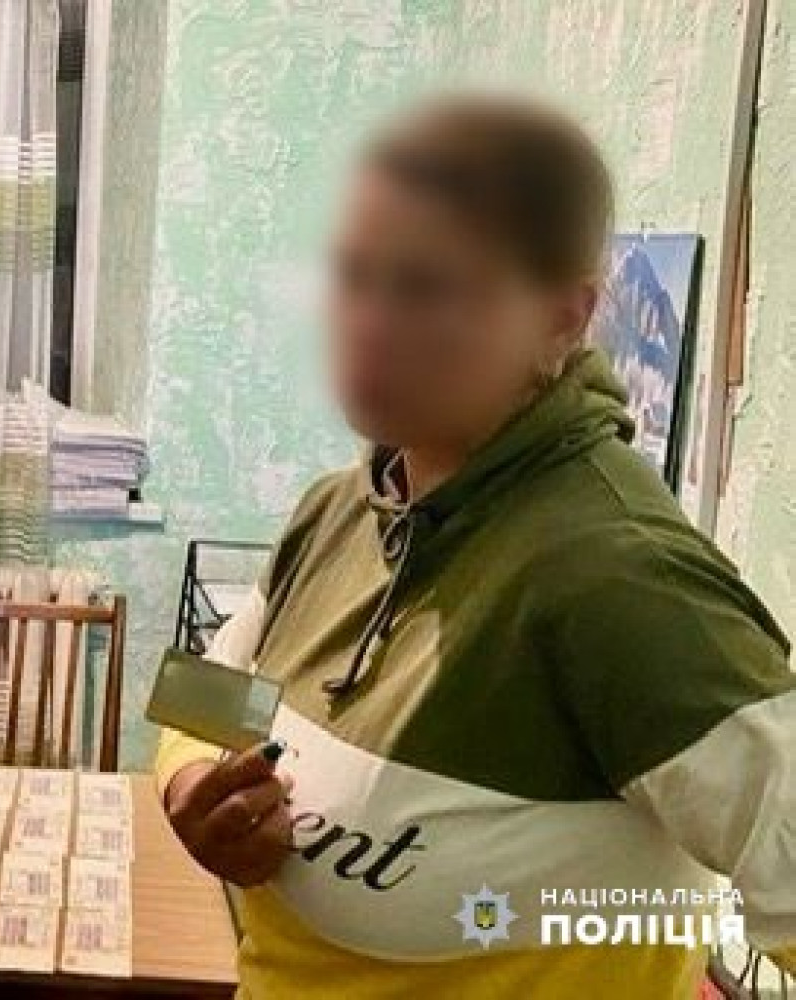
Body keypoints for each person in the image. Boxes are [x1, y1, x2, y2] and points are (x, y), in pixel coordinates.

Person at [156, 96, 795, 999]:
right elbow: (204, 697)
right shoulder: (340, 507)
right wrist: (191, 787)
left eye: (425, 285)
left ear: (562, 318)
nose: (368, 319)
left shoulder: (621, 578)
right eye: (353, 274)